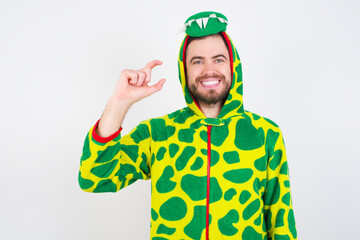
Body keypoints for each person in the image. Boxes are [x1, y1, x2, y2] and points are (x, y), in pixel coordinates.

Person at [79, 11, 297, 240]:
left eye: (218, 59)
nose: (209, 69)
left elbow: (281, 221)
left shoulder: (265, 134)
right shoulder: (158, 133)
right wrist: (119, 103)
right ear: (184, 69)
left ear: (233, 66)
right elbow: (94, 177)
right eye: (198, 61)